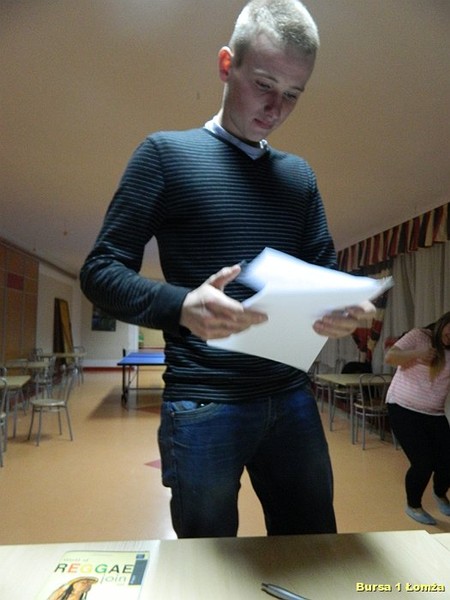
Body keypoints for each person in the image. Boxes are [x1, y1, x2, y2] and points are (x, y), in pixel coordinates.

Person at [80, 0, 373, 538]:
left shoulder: (300, 177)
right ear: (226, 65)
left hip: (291, 396)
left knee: (312, 548)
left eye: (293, 94)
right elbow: (100, 271)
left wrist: (343, 308)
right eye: (263, 84)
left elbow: (326, 271)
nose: (276, 108)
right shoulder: (164, 156)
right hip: (202, 401)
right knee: (208, 560)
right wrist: (181, 305)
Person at [385, 311, 450, 526]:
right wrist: (417, 353)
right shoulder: (420, 336)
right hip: (403, 407)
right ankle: (413, 505)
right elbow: (390, 357)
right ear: (444, 322)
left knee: (447, 460)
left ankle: (440, 494)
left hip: (434, 412)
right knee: (423, 463)